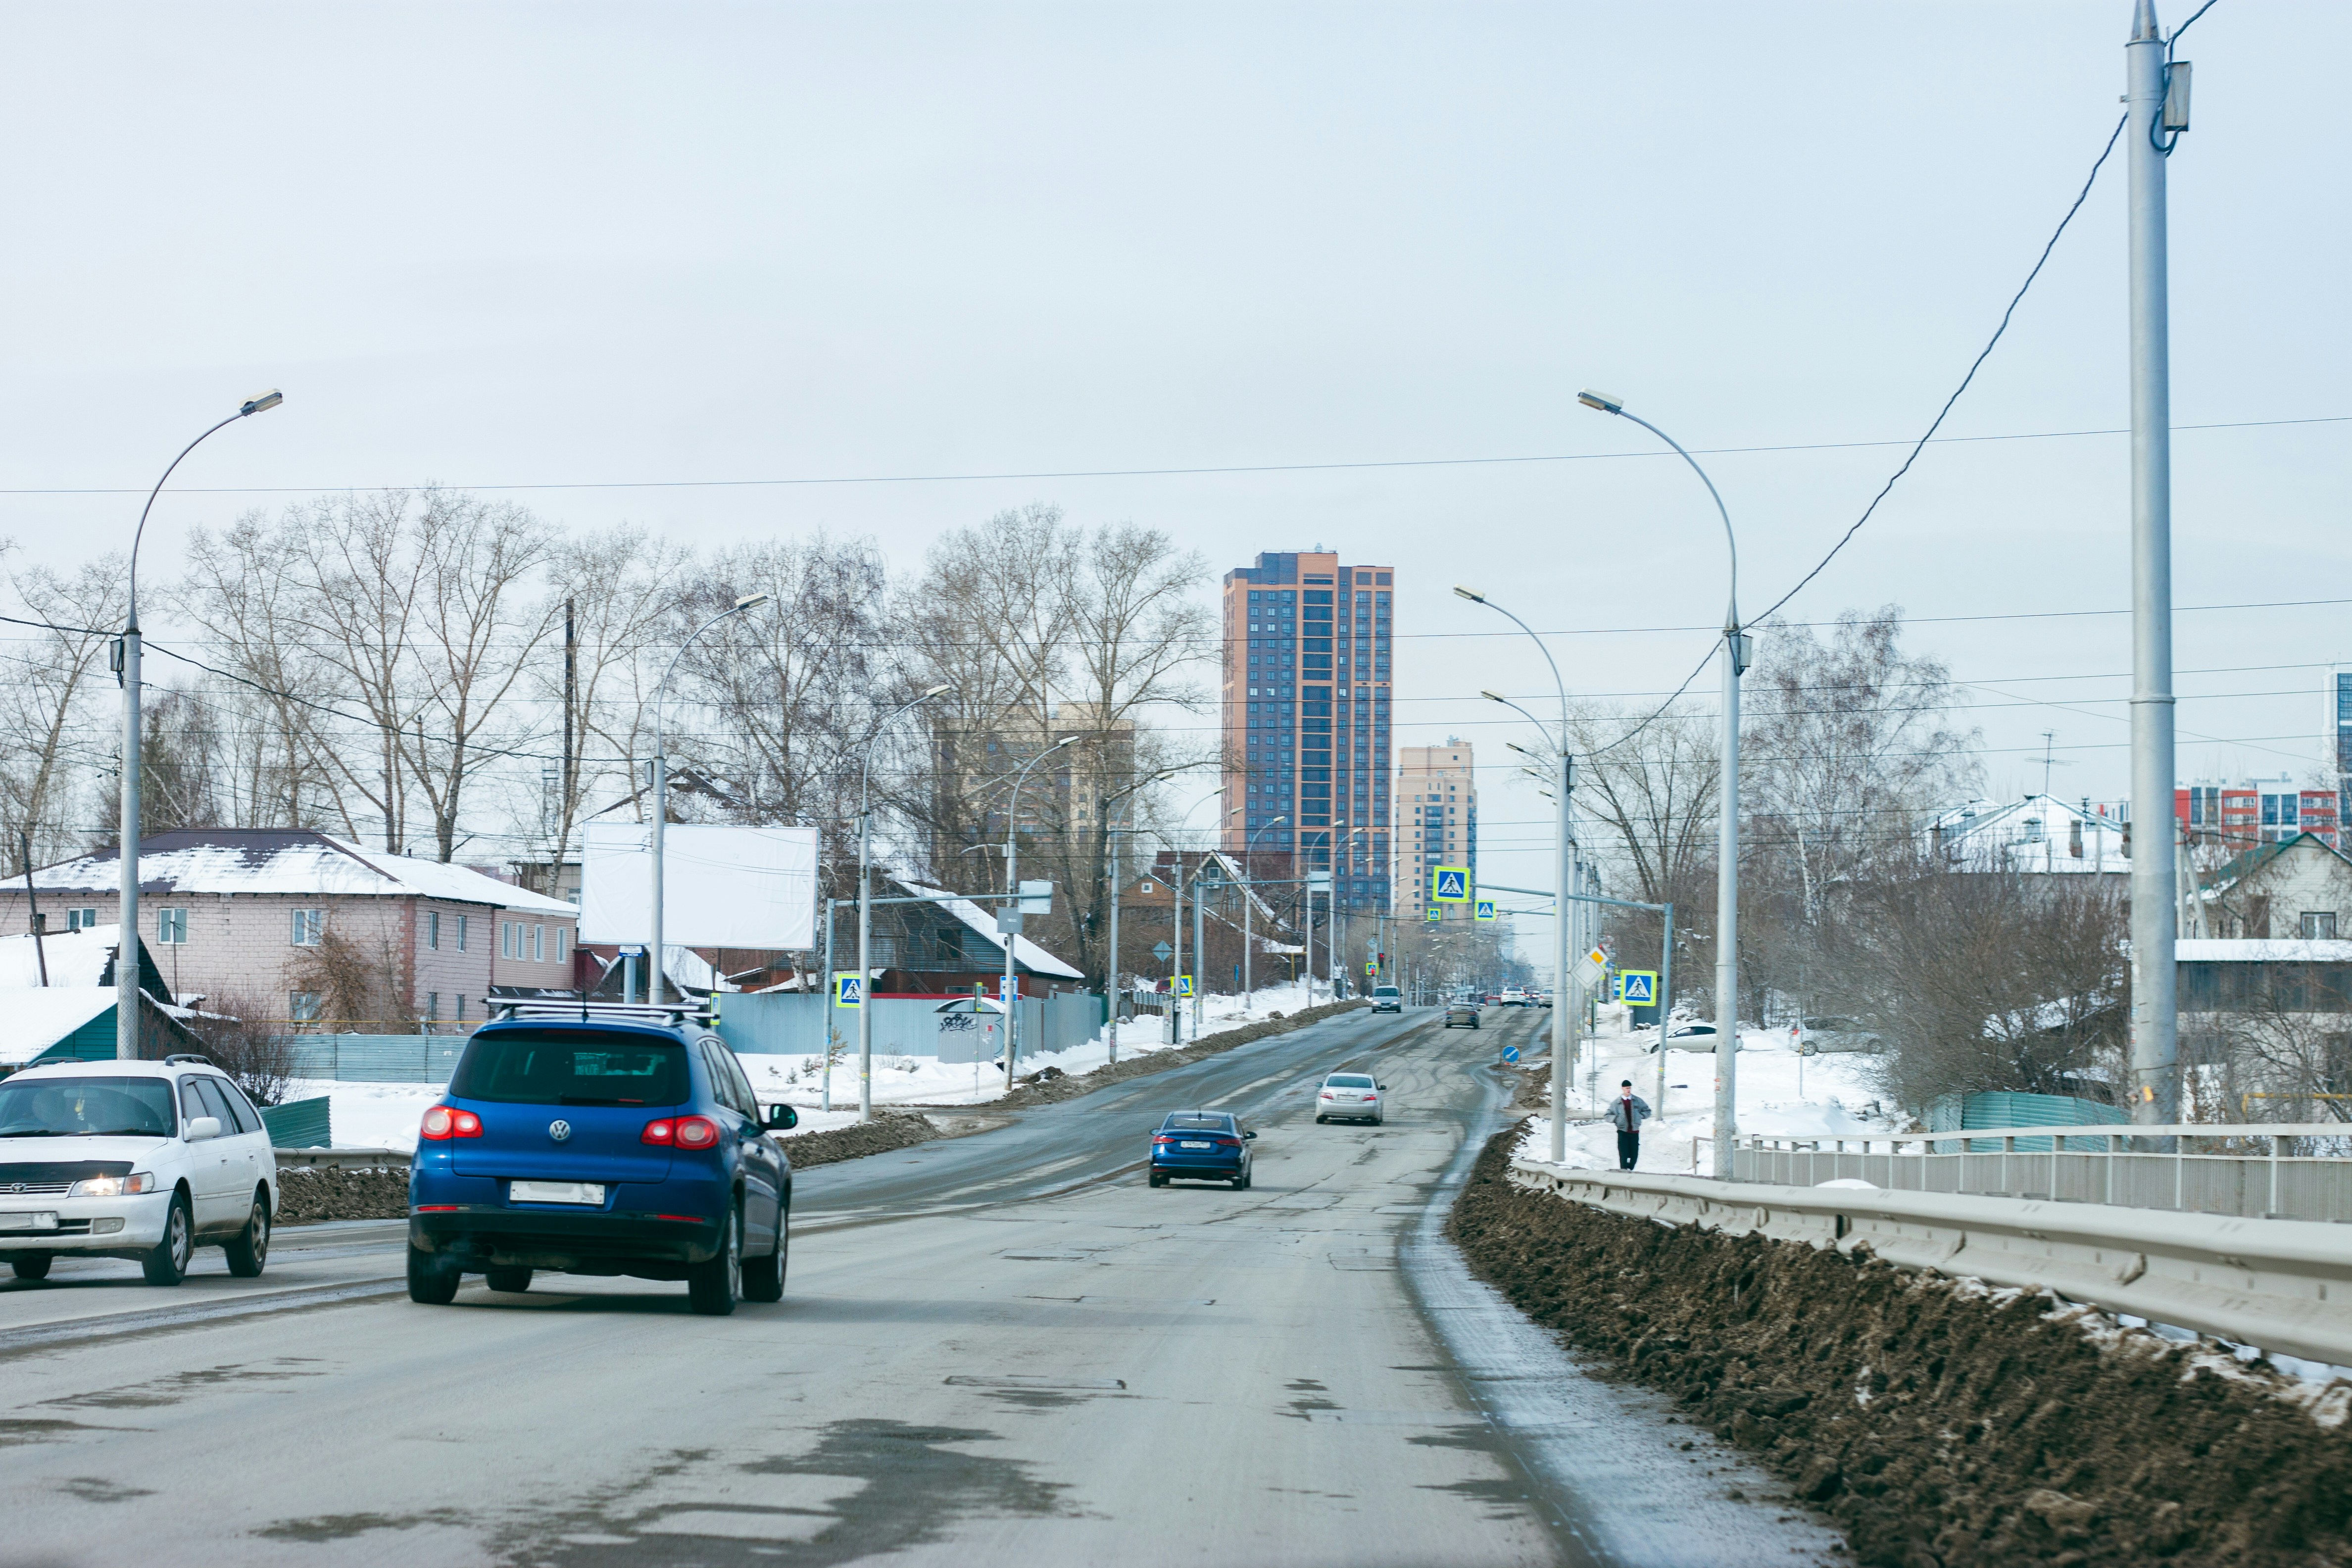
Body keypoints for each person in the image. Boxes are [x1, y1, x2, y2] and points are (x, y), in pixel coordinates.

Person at [1607, 1079, 1652, 1171]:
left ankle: (1630, 1170)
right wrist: (1616, 1119)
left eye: (1630, 1088)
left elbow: (1648, 1111)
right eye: (1627, 1088)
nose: (1628, 1090)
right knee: (1624, 1155)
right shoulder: (1617, 1103)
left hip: (1635, 1132)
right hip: (1622, 1132)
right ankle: (1624, 1172)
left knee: (1634, 1155)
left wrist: (1641, 1116)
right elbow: (1608, 1115)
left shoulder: (1637, 1101)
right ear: (1622, 1089)